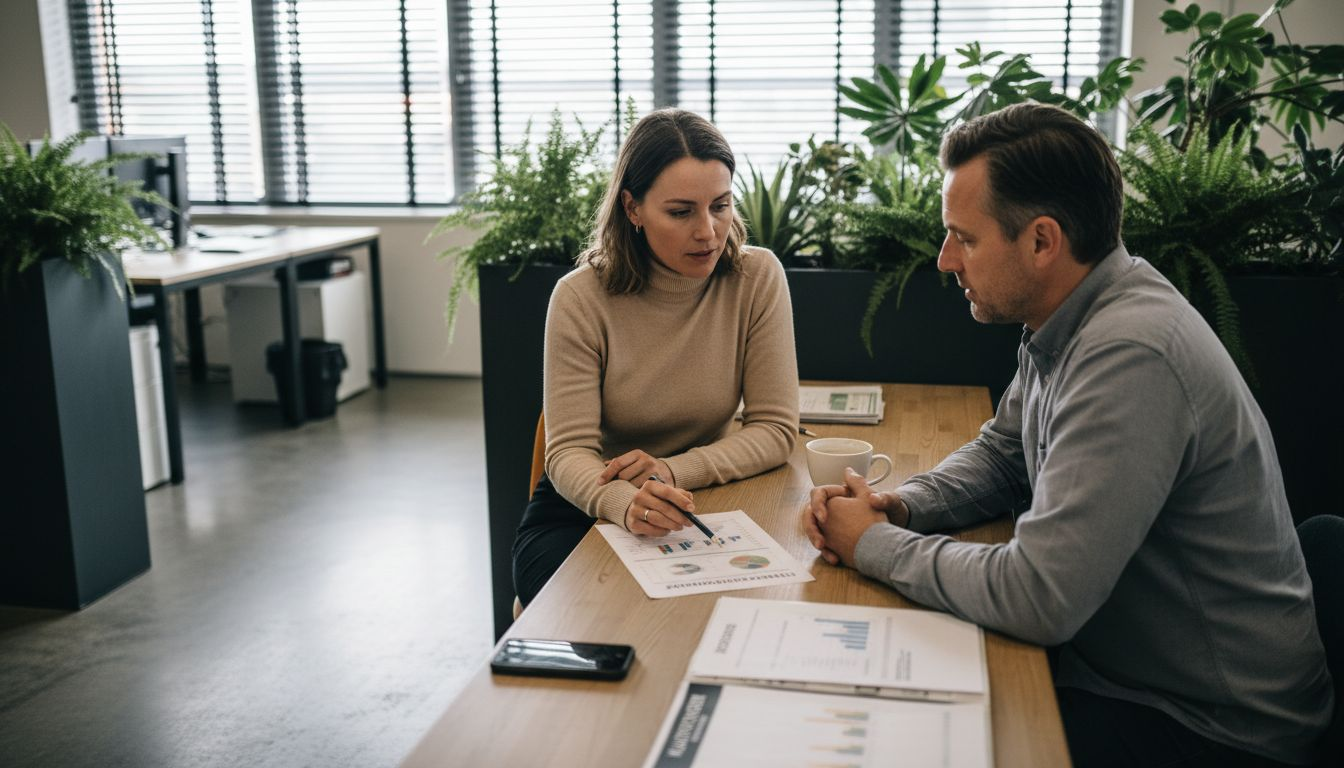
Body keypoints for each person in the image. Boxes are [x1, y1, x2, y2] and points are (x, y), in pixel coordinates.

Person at [803, 102, 1333, 767]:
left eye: (963, 238)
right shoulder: (1073, 315)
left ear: (1042, 241)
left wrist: (874, 544)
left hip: (1207, 727)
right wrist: (904, 504)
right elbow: (1004, 455)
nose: (944, 261)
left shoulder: (1132, 354)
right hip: (1119, 674)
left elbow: (1037, 597)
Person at [512, 108, 799, 606]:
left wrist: (669, 472)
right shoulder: (580, 298)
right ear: (633, 208)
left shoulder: (757, 278)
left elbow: (775, 430)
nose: (708, 232)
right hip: (584, 506)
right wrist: (626, 503)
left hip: (702, 495)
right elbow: (567, 455)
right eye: (681, 212)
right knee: (609, 616)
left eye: (721, 205)